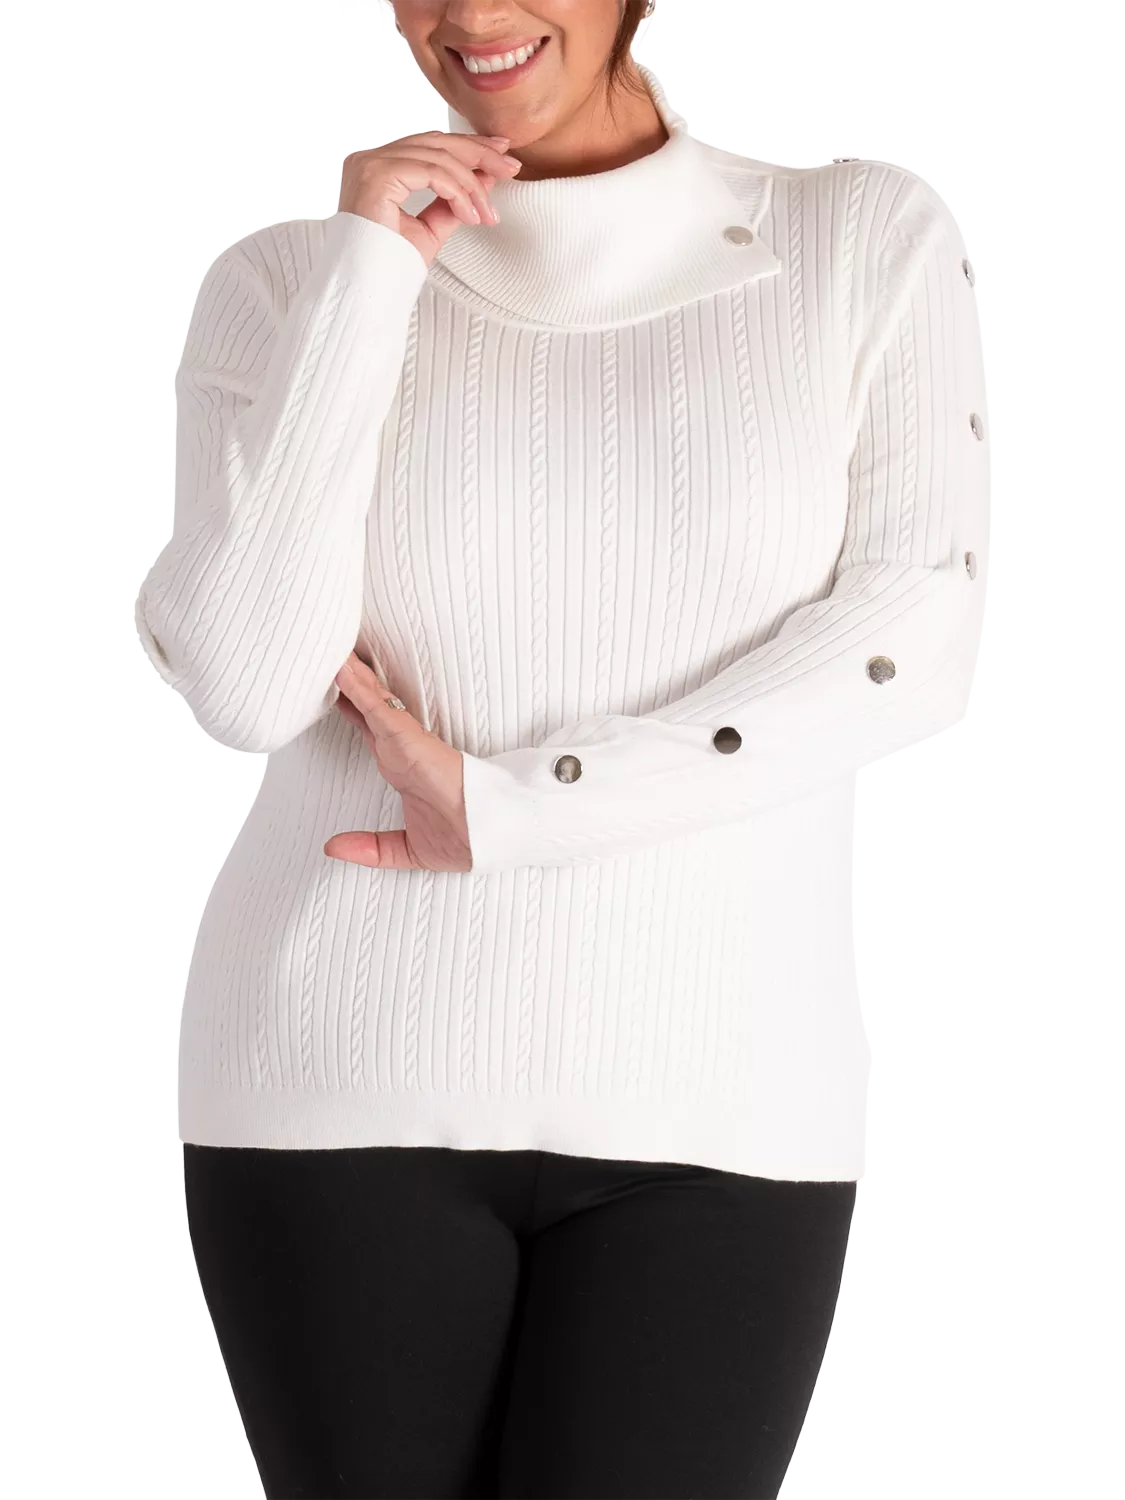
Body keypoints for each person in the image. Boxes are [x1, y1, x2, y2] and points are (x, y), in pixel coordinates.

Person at [133, 1, 990, 1496]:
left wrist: (520, 808)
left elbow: (909, 640)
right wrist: (368, 282)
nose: (472, 15)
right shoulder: (287, 280)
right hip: (335, 1071)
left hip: (716, 1090)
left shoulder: (857, 239)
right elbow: (248, 684)